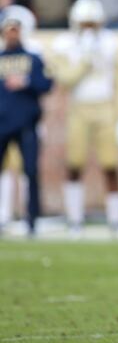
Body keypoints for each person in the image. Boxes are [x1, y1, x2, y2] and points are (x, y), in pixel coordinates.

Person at [49, 0, 118, 237]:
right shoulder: (65, 44)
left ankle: (116, 222)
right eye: (84, 24)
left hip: (105, 107)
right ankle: (75, 220)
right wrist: (85, 59)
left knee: (111, 165)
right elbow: (66, 79)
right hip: (79, 107)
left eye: (91, 24)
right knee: (74, 163)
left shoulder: (109, 42)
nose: (88, 29)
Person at [0, 15, 52, 235]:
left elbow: (47, 83)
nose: (12, 34)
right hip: (2, 123)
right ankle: (3, 216)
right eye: (8, 30)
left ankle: (32, 219)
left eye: (15, 30)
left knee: (30, 171)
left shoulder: (33, 58)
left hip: (27, 123)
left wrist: (26, 82)